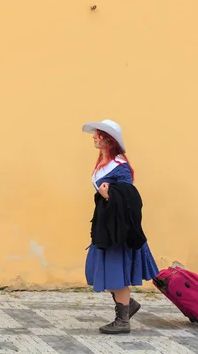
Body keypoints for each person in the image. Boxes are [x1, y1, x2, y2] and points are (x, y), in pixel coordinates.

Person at [82, 119, 160, 334]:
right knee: (103, 270)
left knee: (115, 272)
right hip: (105, 225)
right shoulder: (103, 164)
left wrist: (110, 195)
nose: (94, 137)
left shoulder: (120, 166)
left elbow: (130, 196)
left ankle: (123, 320)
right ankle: (128, 305)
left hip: (117, 229)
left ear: (108, 139)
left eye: (97, 134)